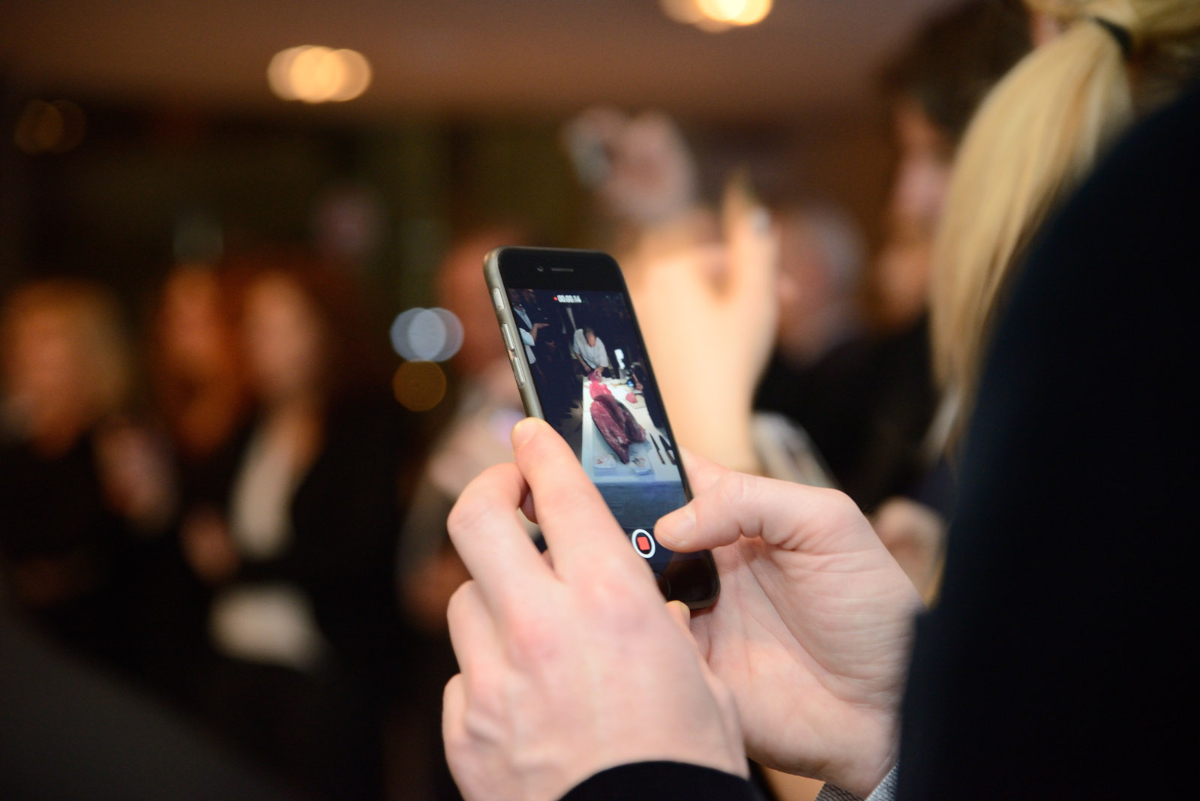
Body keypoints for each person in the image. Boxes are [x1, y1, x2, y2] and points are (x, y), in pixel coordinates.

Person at [441, 3, 1200, 800]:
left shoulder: (1120, 335)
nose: (908, 198)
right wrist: (893, 730)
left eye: (935, 153)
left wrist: (632, 776)